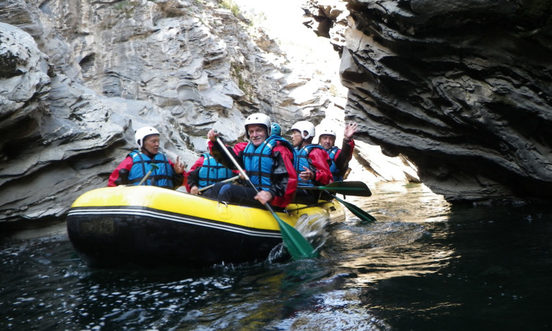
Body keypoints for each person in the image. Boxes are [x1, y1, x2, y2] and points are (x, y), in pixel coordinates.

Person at [205, 113, 297, 208]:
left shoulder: (279, 149)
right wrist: (216, 144)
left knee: (227, 190)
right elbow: (232, 163)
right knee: (217, 186)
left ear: (267, 131)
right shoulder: (248, 149)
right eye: (251, 131)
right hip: (255, 193)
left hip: (273, 199)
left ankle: (222, 218)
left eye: (259, 131)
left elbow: (289, 179)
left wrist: (271, 193)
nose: (254, 135)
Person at [108, 126, 185, 188]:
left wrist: (178, 174)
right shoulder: (130, 161)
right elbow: (113, 184)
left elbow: (179, 184)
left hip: (164, 201)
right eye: (153, 141)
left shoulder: (166, 161)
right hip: (140, 202)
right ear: (140, 143)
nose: (157, 144)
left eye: (158, 141)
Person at [290, 120, 333, 203]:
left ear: (305, 134)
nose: (292, 136)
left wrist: (313, 175)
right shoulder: (295, 152)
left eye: (295, 133)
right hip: (297, 190)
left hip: (309, 193)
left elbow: (328, 178)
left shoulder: (315, 152)